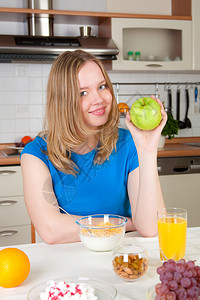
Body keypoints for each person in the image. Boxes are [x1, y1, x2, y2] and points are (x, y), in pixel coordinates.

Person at [21, 50, 167, 244]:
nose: (99, 99)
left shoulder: (128, 143)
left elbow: (150, 228)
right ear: (63, 101)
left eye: (102, 86)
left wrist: (148, 150)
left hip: (119, 258)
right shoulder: (36, 154)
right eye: (83, 92)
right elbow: (52, 231)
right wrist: (128, 223)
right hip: (67, 262)